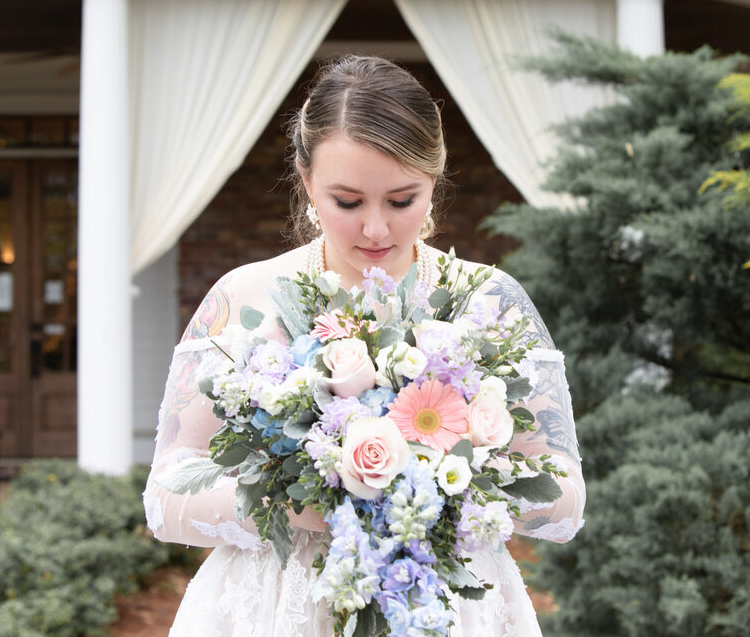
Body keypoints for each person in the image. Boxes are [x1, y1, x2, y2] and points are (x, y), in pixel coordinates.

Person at [143, 56, 585, 637]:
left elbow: (565, 499)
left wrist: (443, 490)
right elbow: (166, 494)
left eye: (402, 200)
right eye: (348, 202)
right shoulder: (244, 297)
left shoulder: (488, 302)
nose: (375, 229)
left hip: (445, 604)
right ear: (306, 181)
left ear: (435, 178)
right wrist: (293, 503)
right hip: (277, 608)